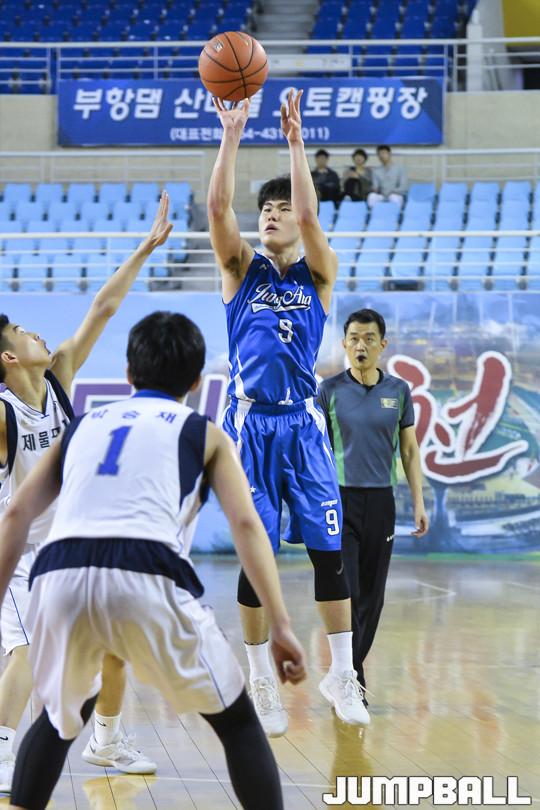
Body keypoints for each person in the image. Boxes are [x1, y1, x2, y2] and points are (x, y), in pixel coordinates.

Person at [0, 311, 306, 810]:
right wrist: (281, 624)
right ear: (196, 382)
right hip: (148, 572)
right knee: (237, 723)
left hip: (60, 577)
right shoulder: (205, 432)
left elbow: (15, 514)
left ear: (128, 374)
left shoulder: (82, 426)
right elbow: (248, 527)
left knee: (56, 721)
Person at [207, 89, 368, 737]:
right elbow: (218, 208)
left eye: (281, 210)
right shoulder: (239, 271)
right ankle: (259, 678)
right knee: (259, 559)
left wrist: (296, 142)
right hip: (250, 427)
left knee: (330, 553)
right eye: (265, 210)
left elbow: (307, 210)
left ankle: (343, 674)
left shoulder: (317, 274)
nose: (273, 216)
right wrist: (232, 135)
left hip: (303, 425)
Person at [0, 193, 174, 792]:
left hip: (73, 547)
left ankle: (106, 740)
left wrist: (144, 249)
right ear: (8, 356)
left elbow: (103, 307)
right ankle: (2, 751)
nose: (37, 332)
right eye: (23, 331)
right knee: (26, 652)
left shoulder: (57, 380)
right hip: (21, 556)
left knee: (114, 644)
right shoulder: (3, 413)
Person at [318, 308, 429, 701]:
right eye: (353, 338)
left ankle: (344, 673)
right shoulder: (328, 391)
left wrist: (418, 502)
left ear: (383, 344)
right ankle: (351, 679)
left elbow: (410, 451)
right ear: (344, 344)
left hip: (382, 502)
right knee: (347, 590)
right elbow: (318, 452)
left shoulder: (399, 391)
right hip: (340, 502)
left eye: (368, 338)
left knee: (372, 598)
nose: (360, 345)